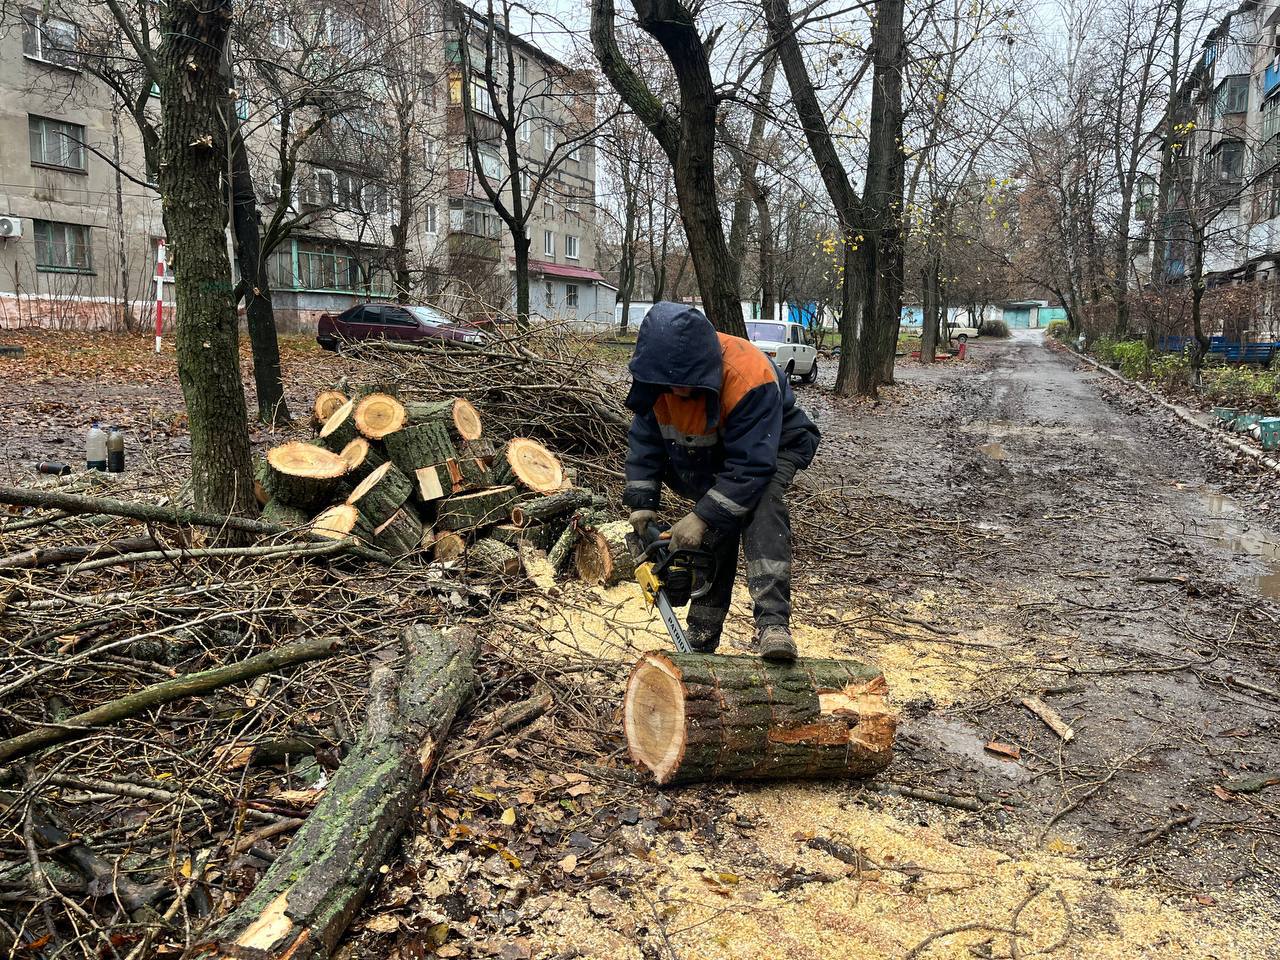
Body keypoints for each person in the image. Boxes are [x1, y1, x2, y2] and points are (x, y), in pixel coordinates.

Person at [623, 301, 821, 661]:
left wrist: (702, 516)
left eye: (681, 384)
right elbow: (645, 442)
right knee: (715, 527)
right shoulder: (656, 381)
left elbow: (752, 467)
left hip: (772, 446)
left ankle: (773, 624)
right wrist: (642, 506)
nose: (674, 391)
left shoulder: (748, 376)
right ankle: (702, 632)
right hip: (713, 453)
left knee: (759, 506)